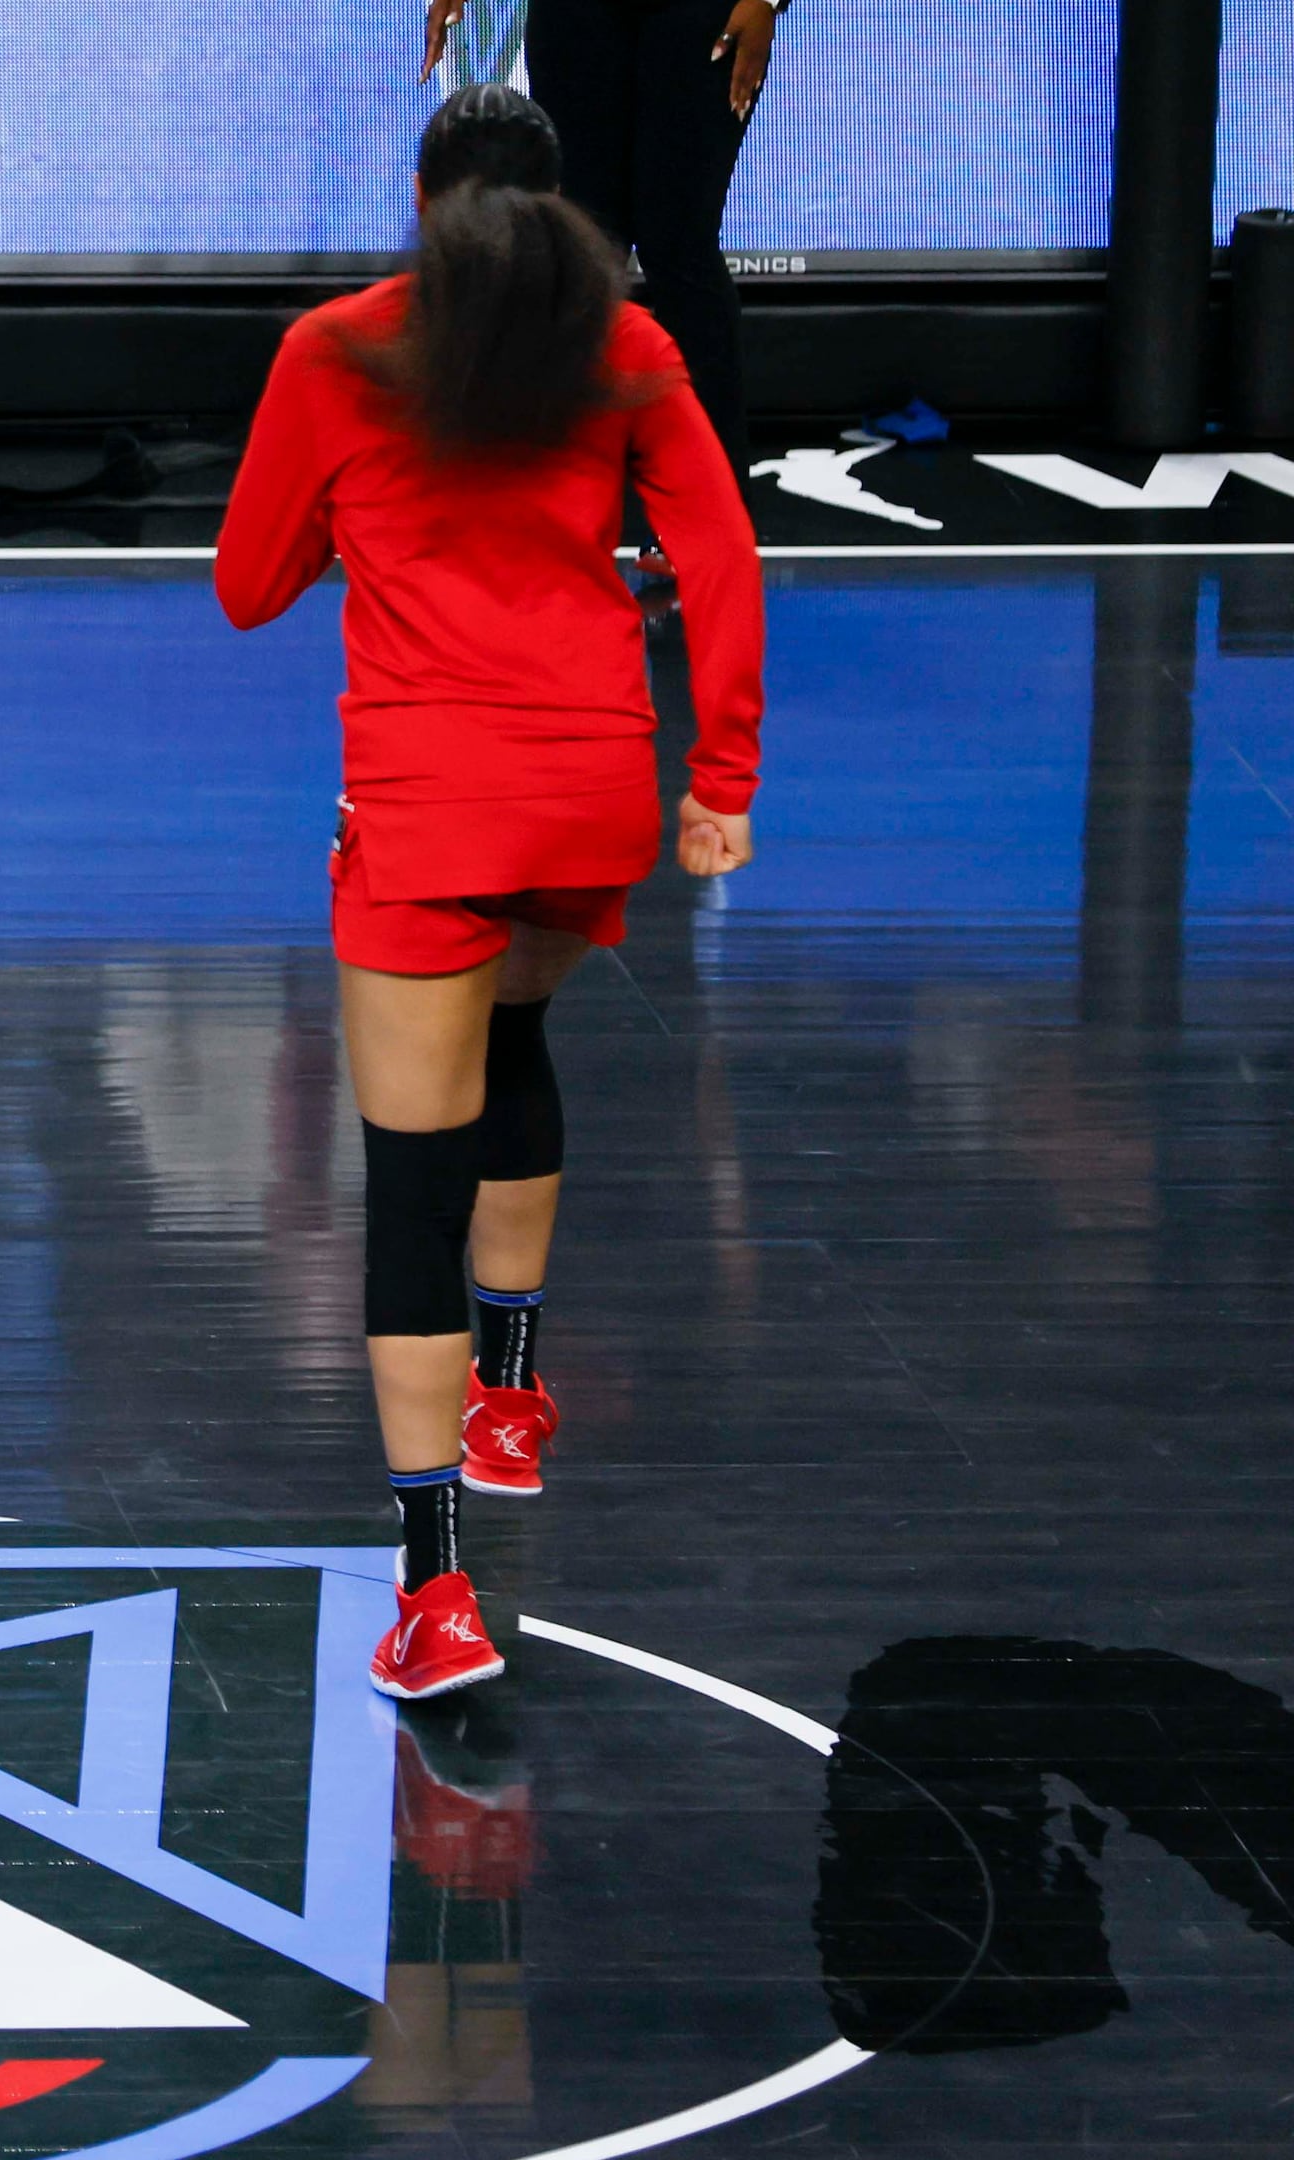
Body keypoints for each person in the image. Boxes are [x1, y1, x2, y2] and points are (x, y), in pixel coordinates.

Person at [215, 86, 763, 1701]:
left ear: (422, 195)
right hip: (589, 788)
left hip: (430, 804)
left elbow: (250, 586)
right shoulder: (632, 347)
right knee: (513, 1044)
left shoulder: (342, 351)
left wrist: (350, 514)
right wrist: (719, 780)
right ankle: (514, 1397)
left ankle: (437, 1596)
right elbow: (719, 556)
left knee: (408, 1177)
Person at [423, 0, 784, 461]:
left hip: (704, 13)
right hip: (578, 16)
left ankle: (712, 516)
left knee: (678, 246)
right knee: (583, 241)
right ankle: (558, 496)